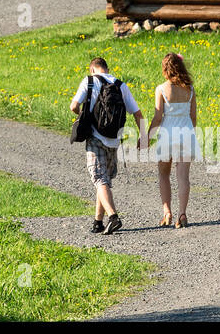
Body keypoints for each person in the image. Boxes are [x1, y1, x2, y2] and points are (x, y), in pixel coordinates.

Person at [70, 57, 145, 235]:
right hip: (114, 139)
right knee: (104, 180)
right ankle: (98, 222)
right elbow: (137, 113)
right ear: (107, 68)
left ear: (92, 70)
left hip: (95, 137)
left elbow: (73, 106)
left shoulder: (89, 81)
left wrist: (82, 115)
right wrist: (143, 136)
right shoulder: (120, 85)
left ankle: (113, 217)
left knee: (98, 178)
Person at [145, 52, 201, 228]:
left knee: (163, 174)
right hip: (186, 133)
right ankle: (182, 214)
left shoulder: (161, 89)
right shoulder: (190, 89)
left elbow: (157, 118)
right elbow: (193, 118)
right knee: (183, 177)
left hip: (167, 134)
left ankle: (167, 212)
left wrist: (147, 137)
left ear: (165, 69)